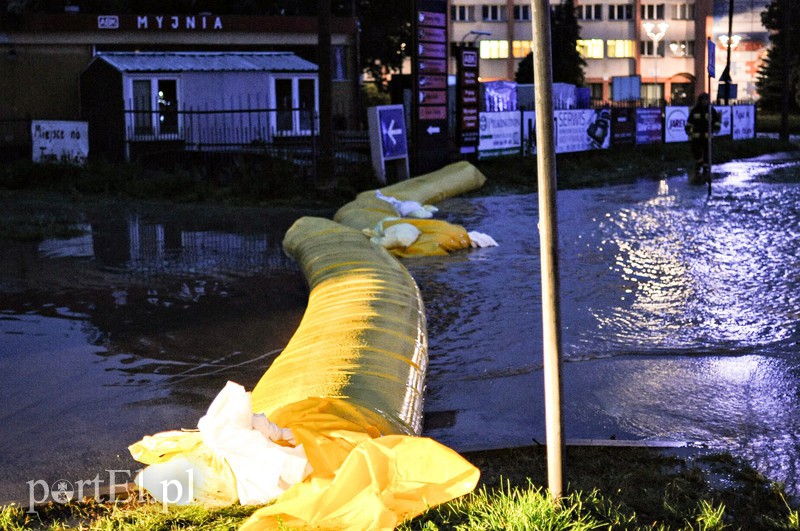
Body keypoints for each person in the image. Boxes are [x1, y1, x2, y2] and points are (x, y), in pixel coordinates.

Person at [684, 93, 722, 185]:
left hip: (707, 137)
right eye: (703, 100)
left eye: (706, 100)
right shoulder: (695, 110)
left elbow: (717, 121)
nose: (705, 102)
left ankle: (705, 173)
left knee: (707, 155)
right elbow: (689, 122)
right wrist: (688, 130)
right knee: (696, 153)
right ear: (700, 101)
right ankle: (697, 169)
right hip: (696, 137)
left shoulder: (711, 110)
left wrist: (716, 128)